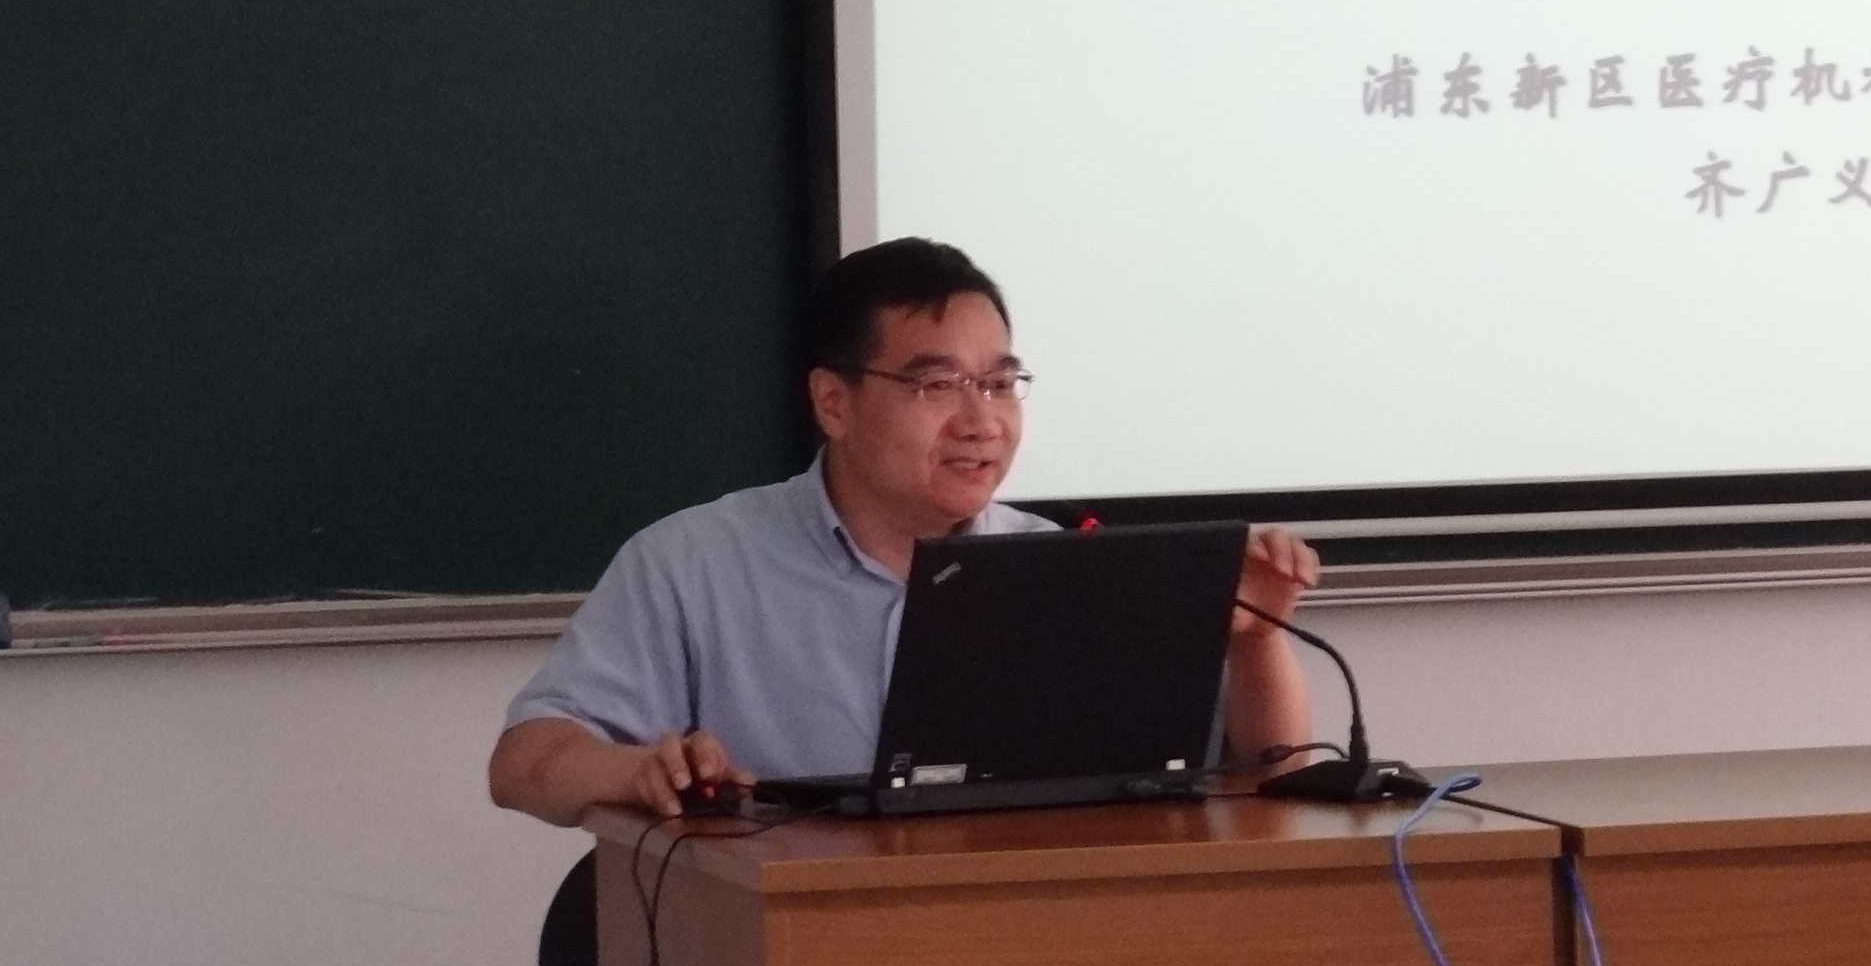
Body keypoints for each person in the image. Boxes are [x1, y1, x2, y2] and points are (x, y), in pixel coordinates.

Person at [487, 238, 1320, 826]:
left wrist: (1256, 641)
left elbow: (1276, 781)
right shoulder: (695, 563)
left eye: (1000, 384)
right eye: (938, 387)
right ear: (834, 402)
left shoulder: (1066, 567)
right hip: (796, 953)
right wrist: (639, 770)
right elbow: (524, 762)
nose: (981, 421)